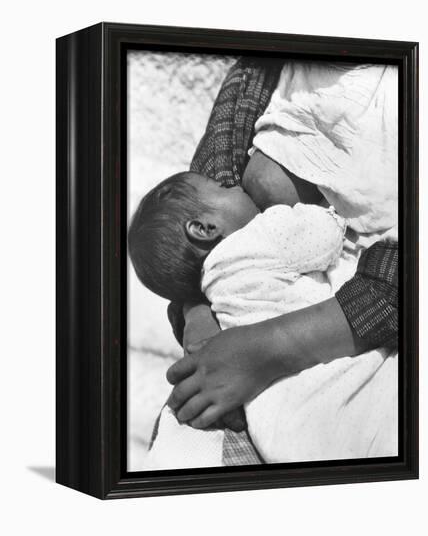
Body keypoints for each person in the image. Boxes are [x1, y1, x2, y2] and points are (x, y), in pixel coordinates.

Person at [165, 57, 398, 465]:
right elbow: (205, 195)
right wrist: (198, 316)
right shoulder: (261, 69)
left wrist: (270, 348)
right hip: (278, 393)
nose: (230, 182)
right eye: (225, 184)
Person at [128, 167, 396, 468]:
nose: (235, 186)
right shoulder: (259, 237)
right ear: (203, 228)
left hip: (286, 437)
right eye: (222, 186)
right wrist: (339, 211)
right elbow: (324, 233)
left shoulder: (213, 290)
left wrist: (195, 310)